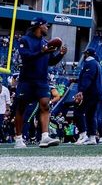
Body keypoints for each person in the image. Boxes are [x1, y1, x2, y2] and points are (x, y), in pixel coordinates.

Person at [14, 17, 66, 148]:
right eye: (46, 26)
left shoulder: (45, 42)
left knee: (45, 105)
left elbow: (51, 61)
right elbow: (26, 57)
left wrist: (60, 54)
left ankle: (44, 136)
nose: (47, 28)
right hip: (27, 79)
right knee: (21, 108)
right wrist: (41, 52)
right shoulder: (25, 40)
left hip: (42, 80)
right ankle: (18, 139)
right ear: (39, 26)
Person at [74, 48, 102, 145]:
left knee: (78, 112)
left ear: (87, 54)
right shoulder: (96, 63)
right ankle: (92, 137)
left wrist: (81, 91)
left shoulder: (90, 63)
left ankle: (83, 135)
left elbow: (88, 78)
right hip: (96, 93)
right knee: (91, 115)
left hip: (90, 93)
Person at [0, 77, 10, 143]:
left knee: (1, 125)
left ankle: (3, 138)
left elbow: (8, 101)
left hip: (2, 111)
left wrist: (7, 110)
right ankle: (3, 138)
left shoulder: (5, 89)